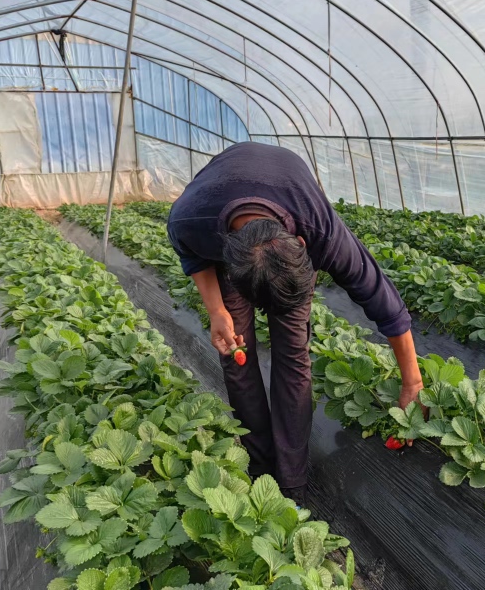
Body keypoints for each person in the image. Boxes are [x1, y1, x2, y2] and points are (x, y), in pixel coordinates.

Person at [167, 142, 423, 506]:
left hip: (286, 200)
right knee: (235, 351)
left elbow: (384, 303)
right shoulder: (189, 220)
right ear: (228, 262)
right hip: (228, 230)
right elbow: (191, 256)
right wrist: (217, 311)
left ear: (303, 245)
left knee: (293, 354)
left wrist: (412, 380)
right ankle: (259, 464)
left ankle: (291, 479)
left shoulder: (319, 226)